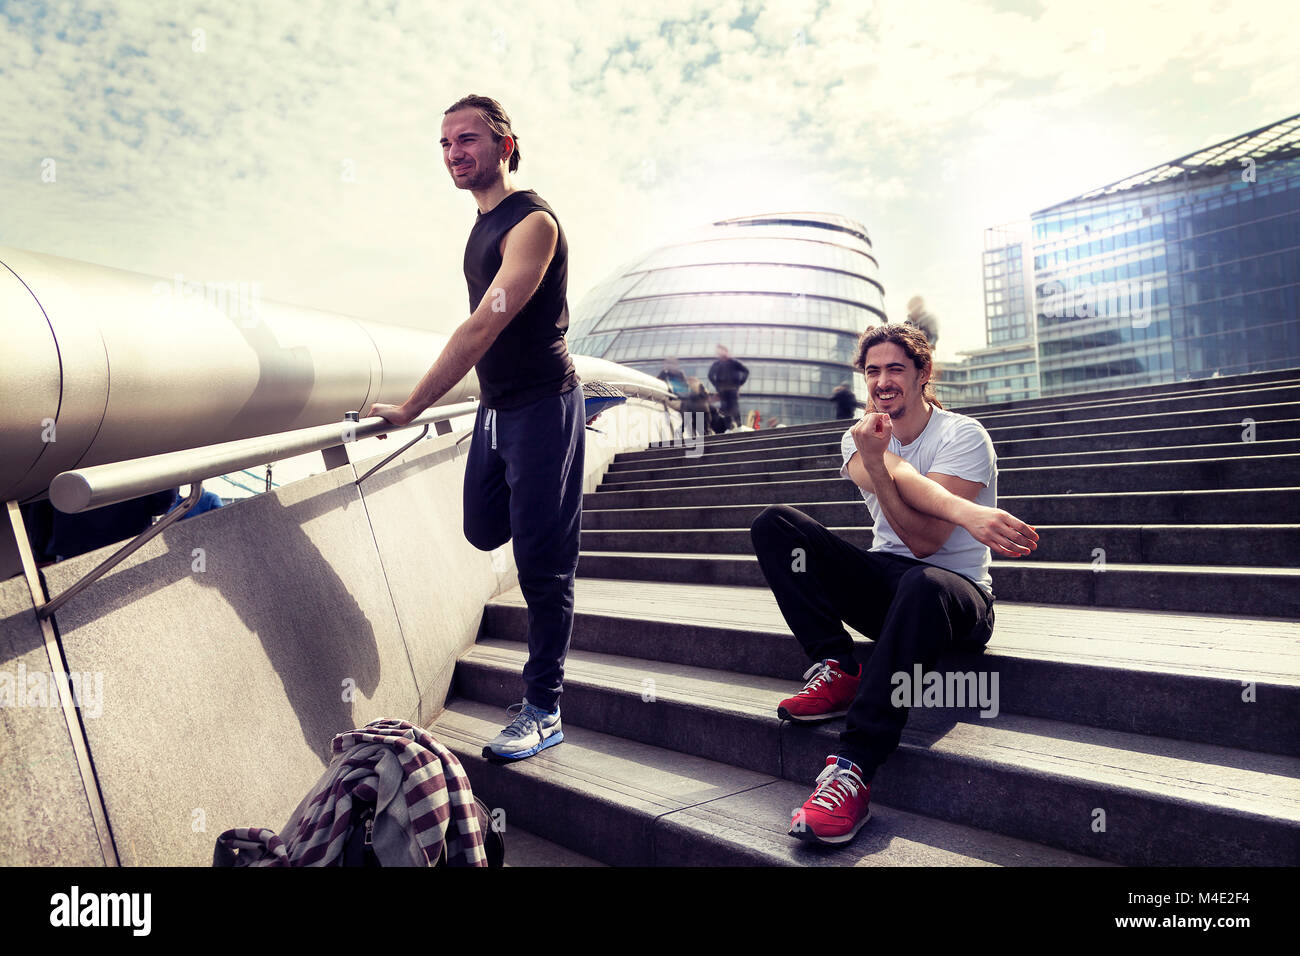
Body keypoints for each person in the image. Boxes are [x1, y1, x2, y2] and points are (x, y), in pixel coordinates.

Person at [749, 323, 1039, 846]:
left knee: (922, 582)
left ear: (923, 374)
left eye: (895, 369)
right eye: (872, 370)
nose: (882, 381)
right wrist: (963, 510)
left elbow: (926, 542)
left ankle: (853, 769)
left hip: (956, 597)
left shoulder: (963, 435)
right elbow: (901, 484)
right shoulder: (859, 437)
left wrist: (920, 490)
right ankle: (836, 666)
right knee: (777, 524)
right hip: (889, 585)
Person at [369, 94, 582, 762]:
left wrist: (410, 407)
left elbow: (486, 322)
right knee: (482, 527)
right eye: (445, 144)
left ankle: (544, 707)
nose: (455, 153)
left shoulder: (533, 224)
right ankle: (549, 511)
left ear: (504, 145)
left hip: (544, 406)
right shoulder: (480, 226)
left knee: (543, 564)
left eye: (467, 140)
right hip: (496, 409)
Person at [708, 345, 748, 428]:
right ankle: (729, 428)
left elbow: (746, 371)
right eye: (718, 351)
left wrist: (740, 383)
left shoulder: (734, 362)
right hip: (722, 390)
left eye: (721, 350)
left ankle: (739, 425)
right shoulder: (717, 364)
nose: (719, 353)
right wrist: (717, 386)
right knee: (725, 409)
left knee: (734, 408)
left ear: (726, 351)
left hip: (733, 389)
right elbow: (710, 375)